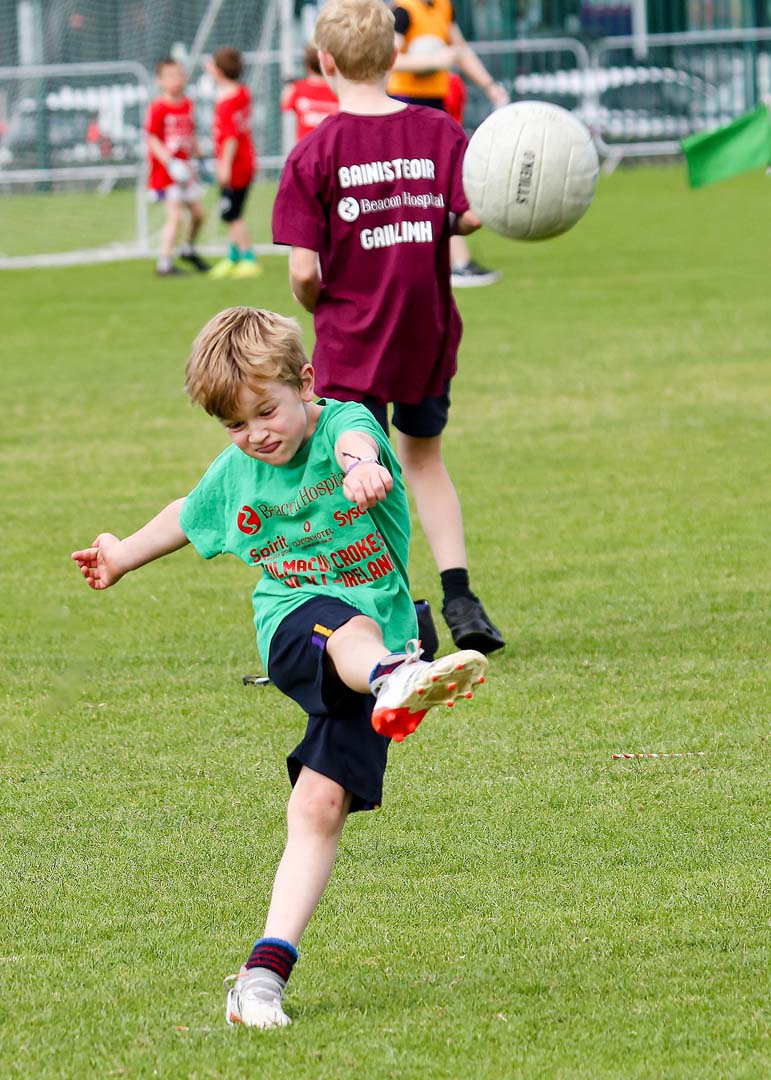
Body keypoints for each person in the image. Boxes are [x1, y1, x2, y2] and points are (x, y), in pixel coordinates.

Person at [71, 305, 489, 1030]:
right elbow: (189, 511)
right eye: (235, 425)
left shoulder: (343, 428)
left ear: (305, 383)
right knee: (341, 625)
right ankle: (393, 676)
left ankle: (262, 976)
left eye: (266, 411)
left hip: (383, 645)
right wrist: (121, 553)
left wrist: (360, 468)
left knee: (319, 807)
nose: (255, 435)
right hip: (297, 628)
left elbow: (359, 437)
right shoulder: (239, 472)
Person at [271, 0, 505, 654]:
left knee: (359, 471)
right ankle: (461, 598)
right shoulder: (438, 131)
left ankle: (395, 615)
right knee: (423, 461)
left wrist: (319, 297)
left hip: (353, 340)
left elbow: (303, 275)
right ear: (395, 55)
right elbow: (464, 219)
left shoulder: (314, 152)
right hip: (425, 333)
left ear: (324, 62)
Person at [387, 0, 509, 287]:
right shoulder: (403, 12)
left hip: (435, 104)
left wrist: (491, 87)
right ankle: (455, 263)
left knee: (439, 182)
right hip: (404, 102)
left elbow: (460, 51)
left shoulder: (443, 7)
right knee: (423, 185)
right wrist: (433, 61)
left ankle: (452, 263)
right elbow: (387, 59)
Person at [145, 57, 210, 278]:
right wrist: (170, 162)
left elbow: (189, 135)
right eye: (170, 76)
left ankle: (188, 249)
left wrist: (201, 159)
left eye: (180, 74)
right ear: (160, 81)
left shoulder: (187, 104)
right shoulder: (158, 107)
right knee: (175, 217)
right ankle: (164, 263)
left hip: (186, 170)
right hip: (167, 173)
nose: (177, 80)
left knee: (199, 214)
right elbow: (152, 139)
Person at [205, 47, 260, 280]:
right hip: (246, 160)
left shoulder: (227, 102)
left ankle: (248, 258)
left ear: (218, 71)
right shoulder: (241, 92)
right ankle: (233, 255)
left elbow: (230, 138)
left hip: (236, 164)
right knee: (230, 210)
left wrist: (224, 165)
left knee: (232, 213)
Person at [281, 43, 340, 143]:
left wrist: (289, 86)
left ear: (307, 65)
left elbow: (285, 104)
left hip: (306, 148)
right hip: (332, 147)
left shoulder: (298, 88)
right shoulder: (336, 88)